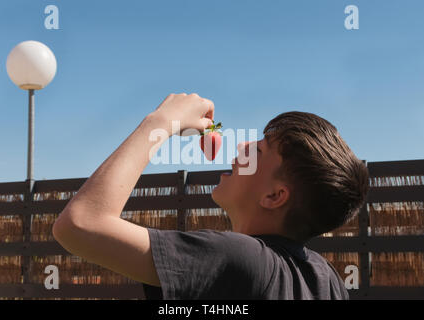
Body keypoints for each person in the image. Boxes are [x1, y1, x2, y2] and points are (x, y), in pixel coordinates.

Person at [52, 93, 369, 300]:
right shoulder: (327, 281)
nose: (242, 147)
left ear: (274, 196)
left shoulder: (239, 258)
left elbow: (79, 224)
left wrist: (159, 123)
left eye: (257, 150)